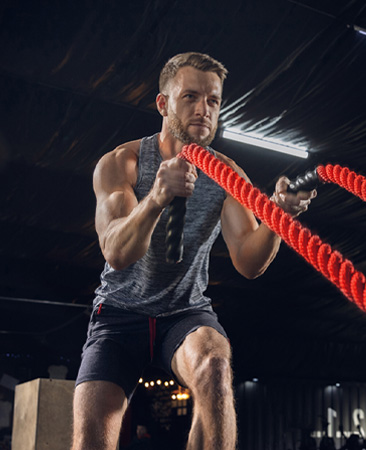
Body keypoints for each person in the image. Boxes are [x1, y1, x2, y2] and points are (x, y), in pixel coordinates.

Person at [72, 52, 317, 450]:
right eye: (190, 97)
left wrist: (277, 218)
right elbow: (116, 252)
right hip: (119, 315)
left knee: (215, 365)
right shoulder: (124, 162)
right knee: (90, 440)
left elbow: (249, 262)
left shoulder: (227, 174)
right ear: (163, 104)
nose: (203, 110)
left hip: (185, 312)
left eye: (214, 101)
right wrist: (156, 197)